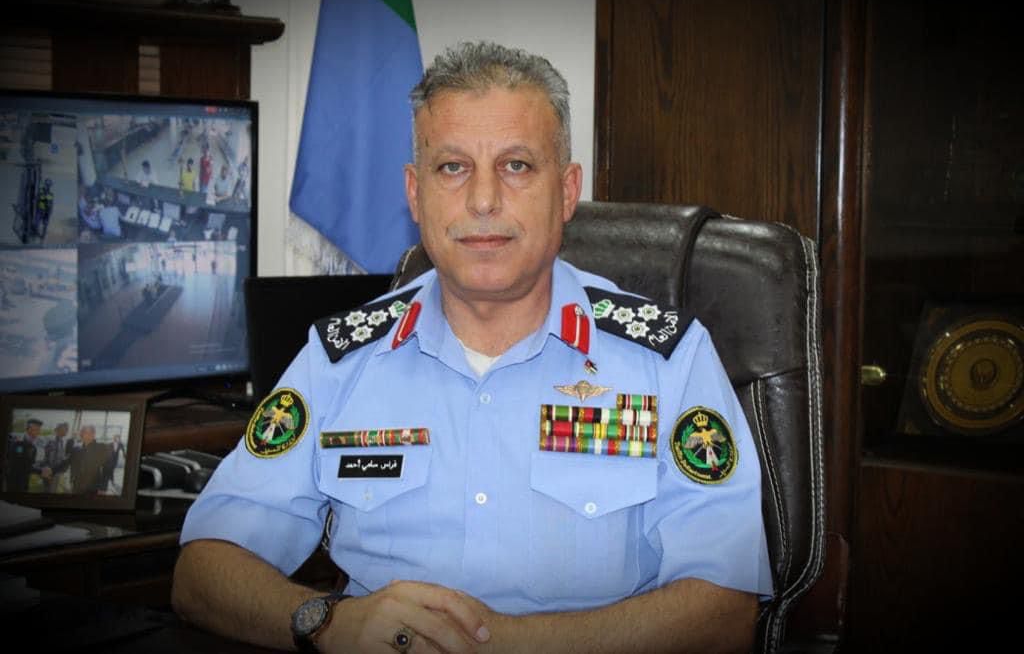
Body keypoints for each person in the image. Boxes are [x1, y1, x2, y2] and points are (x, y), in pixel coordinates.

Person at [173, 42, 771, 653]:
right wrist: (328, 623)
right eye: (453, 167)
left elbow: (723, 610)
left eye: (517, 165)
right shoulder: (340, 360)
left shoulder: (667, 360)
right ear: (415, 193)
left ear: (567, 191)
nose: (484, 200)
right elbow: (202, 570)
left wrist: (502, 645)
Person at [45, 425, 113, 495]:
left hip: (93, 487)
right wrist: (52, 470)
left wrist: (103, 487)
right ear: (81, 434)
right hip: (76, 486)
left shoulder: (101, 448)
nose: (87, 435)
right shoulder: (76, 449)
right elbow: (65, 463)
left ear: (94, 435)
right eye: (84, 433)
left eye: (90, 433)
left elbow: (107, 468)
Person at [3, 418, 45, 492]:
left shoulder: (33, 446)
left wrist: (40, 468)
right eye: (37, 429)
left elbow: (31, 463)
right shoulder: (17, 441)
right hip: (14, 480)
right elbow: (18, 464)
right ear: (29, 429)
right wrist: (40, 471)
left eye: (39, 429)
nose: (39, 432)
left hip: (25, 479)